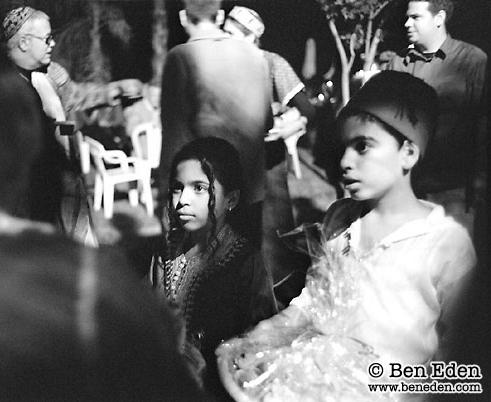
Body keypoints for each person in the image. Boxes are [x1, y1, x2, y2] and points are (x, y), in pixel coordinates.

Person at [0, 3, 205, 401]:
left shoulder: (46, 74)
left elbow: (77, 96)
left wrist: (109, 95)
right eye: (46, 37)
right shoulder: (88, 288)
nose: (53, 43)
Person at [216, 71, 476, 401]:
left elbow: (463, 351)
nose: (344, 161)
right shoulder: (341, 219)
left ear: (408, 153)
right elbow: (316, 300)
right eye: (344, 147)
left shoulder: (444, 244)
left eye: (363, 146)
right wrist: (268, 331)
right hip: (322, 380)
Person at [150, 137, 277, 400]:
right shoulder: (167, 252)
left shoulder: (244, 261)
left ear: (231, 199)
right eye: (177, 188)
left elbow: (259, 341)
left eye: (199, 188)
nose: (182, 200)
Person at [158, 0, 274, 245]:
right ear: (220, 16)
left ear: (182, 17)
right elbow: (267, 121)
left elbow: (173, 136)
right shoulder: (256, 56)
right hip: (250, 191)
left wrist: (167, 198)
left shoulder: (180, 57)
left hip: (206, 198)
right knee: (245, 272)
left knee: (203, 277)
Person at [223, 5, 315, 304]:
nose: (223, 39)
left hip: (268, 164)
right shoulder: (221, 66)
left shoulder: (271, 63)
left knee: (275, 240)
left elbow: (307, 109)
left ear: (251, 37)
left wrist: (292, 127)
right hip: (231, 164)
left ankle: (282, 304)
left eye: (230, 33)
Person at [385, 0, 488, 244]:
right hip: (404, 191)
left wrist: (480, 186)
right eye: (407, 17)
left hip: (452, 192)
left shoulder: (473, 61)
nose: (406, 23)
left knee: (452, 272)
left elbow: (484, 126)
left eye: (416, 17)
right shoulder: (398, 64)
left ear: (439, 18)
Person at [3, 6, 71, 224]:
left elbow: (62, 122)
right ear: (24, 42)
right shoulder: (7, 89)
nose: (52, 44)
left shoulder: (42, 77)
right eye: (47, 38)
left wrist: (70, 130)